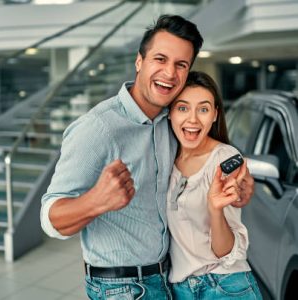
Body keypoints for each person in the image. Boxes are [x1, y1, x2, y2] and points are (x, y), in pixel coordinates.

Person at [40, 15, 254, 300]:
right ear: (139, 62)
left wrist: (240, 185)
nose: (169, 73)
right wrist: (95, 202)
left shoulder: (170, 121)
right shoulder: (98, 128)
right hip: (121, 288)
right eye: (160, 59)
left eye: (181, 65)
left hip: (166, 280)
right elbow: (49, 217)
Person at [167, 71, 262, 299]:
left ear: (215, 115)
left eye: (203, 109)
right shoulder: (167, 157)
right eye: (182, 108)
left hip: (224, 286)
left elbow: (225, 252)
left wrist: (215, 209)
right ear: (169, 113)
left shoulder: (223, 160)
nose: (192, 119)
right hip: (181, 289)